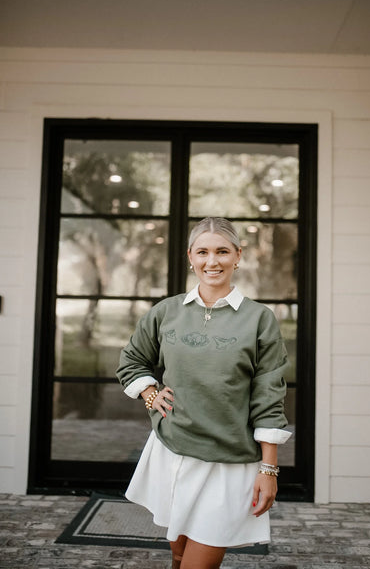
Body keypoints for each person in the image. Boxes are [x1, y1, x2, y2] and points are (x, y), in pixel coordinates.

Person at [116, 217, 291, 569]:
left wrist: (268, 470)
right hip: (174, 451)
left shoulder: (259, 319)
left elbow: (268, 395)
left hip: (231, 461)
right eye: (203, 252)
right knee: (179, 556)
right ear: (190, 257)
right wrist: (150, 393)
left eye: (222, 251)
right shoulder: (167, 311)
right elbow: (131, 361)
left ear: (238, 256)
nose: (213, 261)